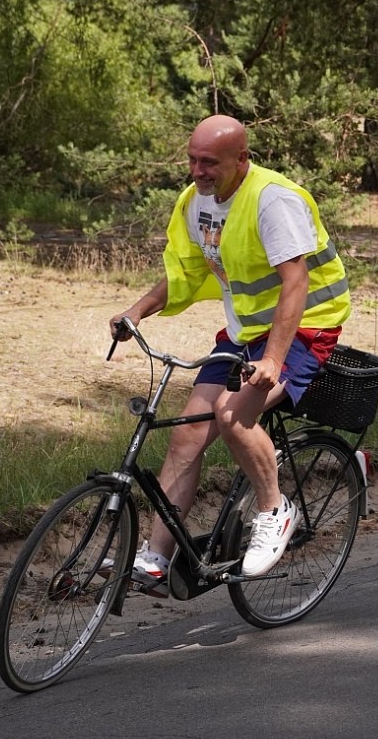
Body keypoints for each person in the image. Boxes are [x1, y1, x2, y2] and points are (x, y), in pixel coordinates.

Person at [109, 114, 351, 596]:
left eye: (210, 163)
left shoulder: (272, 200)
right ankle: (157, 558)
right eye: (193, 161)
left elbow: (295, 283)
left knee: (232, 416)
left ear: (242, 159)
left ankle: (274, 510)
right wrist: (137, 311)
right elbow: (189, 272)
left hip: (303, 329)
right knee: (187, 433)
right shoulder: (197, 202)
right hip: (244, 331)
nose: (199, 172)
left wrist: (274, 362)